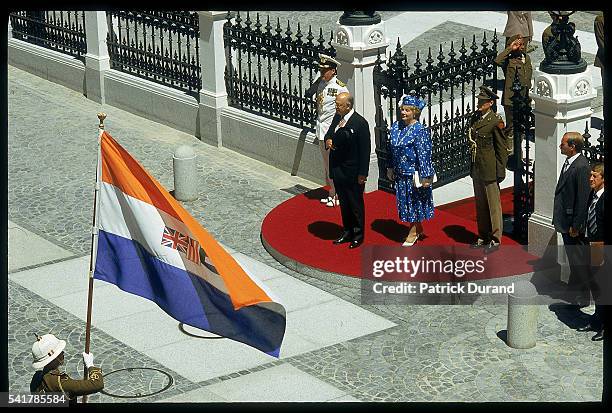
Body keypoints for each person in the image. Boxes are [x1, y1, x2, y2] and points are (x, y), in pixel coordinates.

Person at [386, 95, 435, 247]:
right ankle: (417, 227)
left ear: (415, 112)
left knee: (414, 203)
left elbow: (424, 153)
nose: (403, 113)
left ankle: (413, 231)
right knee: (404, 203)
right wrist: (389, 167)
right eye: (402, 109)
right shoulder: (395, 126)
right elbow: (390, 149)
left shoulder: (419, 130)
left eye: (407, 110)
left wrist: (426, 176)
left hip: (413, 174)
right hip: (400, 173)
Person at [326, 92, 370, 249]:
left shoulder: (359, 123)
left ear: (348, 106)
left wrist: (362, 174)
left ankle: (358, 235)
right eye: (336, 104)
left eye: (339, 104)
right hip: (338, 169)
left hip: (352, 172)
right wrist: (329, 140)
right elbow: (329, 133)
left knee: (355, 204)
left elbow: (365, 150)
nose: (336, 106)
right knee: (344, 203)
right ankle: (347, 231)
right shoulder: (338, 117)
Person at [552, 132, 591, 308]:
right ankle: (575, 292)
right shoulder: (570, 163)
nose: (560, 146)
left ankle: (582, 296)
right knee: (574, 260)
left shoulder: (581, 166)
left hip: (573, 224)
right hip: (565, 221)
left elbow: (582, 199)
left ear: (572, 146)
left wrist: (576, 225)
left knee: (579, 261)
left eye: (563, 144)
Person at [468, 86, 508, 254]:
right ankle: (483, 235)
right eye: (478, 100)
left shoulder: (495, 121)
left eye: (482, 101)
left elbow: (502, 149)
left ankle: (495, 239)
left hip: (490, 168)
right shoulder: (475, 119)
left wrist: (500, 171)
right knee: (481, 204)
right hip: (477, 167)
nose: (479, 103)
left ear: (490, 103)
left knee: (493, 206)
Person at [305, 54, 349, 207]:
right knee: (327, 165)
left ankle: (339, 194)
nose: (323, 73)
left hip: (333, 132)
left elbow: (345, 111)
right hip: (321, 129)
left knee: (335, 165)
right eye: (321, 70)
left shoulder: (339, 87)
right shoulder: (321, 84)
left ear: (333, 71)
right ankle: (332, 192)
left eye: (325, 71)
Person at [30, 334, 104, 404]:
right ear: (53, 358)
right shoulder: (61, 383)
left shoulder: (36, 377)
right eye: (59, 352)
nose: (63, 353)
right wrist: (90, 365)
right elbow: (97, 384)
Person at [577, 163, 605, 341]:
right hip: (590, 245)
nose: (591, 178)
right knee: (595, 285)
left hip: (602, 249)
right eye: (591, 175)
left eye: (595, 176)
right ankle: (597, 318)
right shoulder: (592, 195)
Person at [494, 33, 532, 150]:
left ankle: (518, 153)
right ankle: (509, 152)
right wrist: (510, 48)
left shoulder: (526, 57)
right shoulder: (509, 60)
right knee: (511, 128)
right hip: (511, 99)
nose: (521, 46)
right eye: (518, 44)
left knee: (522, 127)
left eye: (522, 43)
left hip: (524, 99)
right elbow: (497, 61)